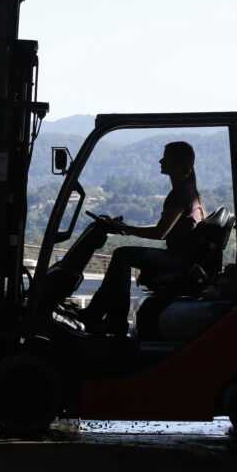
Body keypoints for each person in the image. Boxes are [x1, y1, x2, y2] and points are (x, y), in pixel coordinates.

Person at [79, 141, 207, 334]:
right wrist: (124, 228)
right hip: (183, 259)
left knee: (122, 255)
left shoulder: (179, 195)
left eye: (167, 158)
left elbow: (159, 233)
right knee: (124, 255)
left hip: (179, 261)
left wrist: (126, 229)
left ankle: (112, 319)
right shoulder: (190, 192)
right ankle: (101, 314)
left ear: (179, 164)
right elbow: (163, 229)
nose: (161, 160)